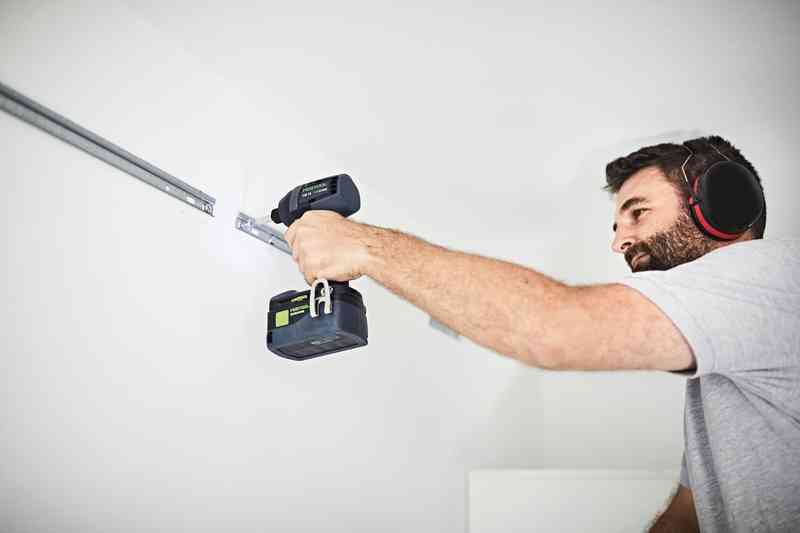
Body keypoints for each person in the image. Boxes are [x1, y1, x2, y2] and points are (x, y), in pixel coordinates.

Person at [284, 135, 800, 532]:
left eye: (638, 212)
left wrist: (364, 246)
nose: (620, 242)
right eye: (617, 225)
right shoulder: (729, 360)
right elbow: (689, 514)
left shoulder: (772, 273)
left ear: (722, 204)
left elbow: (555, 328)